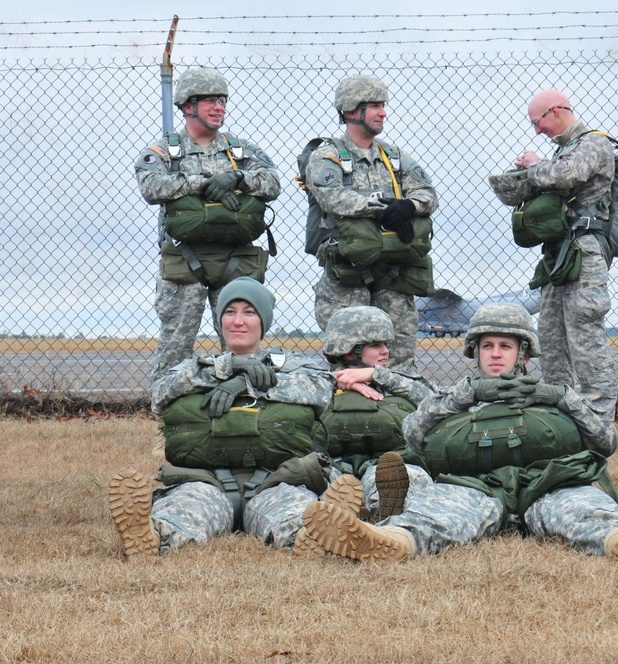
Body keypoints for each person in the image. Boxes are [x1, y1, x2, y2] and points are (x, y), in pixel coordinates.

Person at [297, 303, 618, 563]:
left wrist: (560, 399)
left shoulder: (554, 394)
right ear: (474, 351)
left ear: (524, 353)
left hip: (548, 484)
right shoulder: (458, 395)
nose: (495, 354)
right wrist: (465, 395)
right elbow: (415, 437)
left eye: (505, 346)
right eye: (488, 346)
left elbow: (606, 443)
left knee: (581, 508)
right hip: (477, 487)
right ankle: (389, 540)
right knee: (439, 513)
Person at [108, 278, 334, 557]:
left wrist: (245, 382)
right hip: (207, 481)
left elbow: (323, 392)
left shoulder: (292, 365)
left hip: (274, 481)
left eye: (249, 312)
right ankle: (150, 537)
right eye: (230, 312)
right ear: (219, 319)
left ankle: (309, 538)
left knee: (295, 515)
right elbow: (160, 395)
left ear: (263, 321)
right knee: (184, 512)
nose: (238, 321)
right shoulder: (196, 367)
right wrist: (225, 369)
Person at [136, 67, 282, 380]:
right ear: (188, 106)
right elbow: (151, 186)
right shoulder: (166, 150)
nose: (219, 108)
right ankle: (170, 416)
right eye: (210, 101)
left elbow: (272, 183)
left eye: (222, 101)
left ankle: (245, 408)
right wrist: (200, 183)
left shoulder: (240, 151)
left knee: (241, 342)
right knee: (176, 344)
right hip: (185, 259)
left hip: (236, 259)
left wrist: (238, 177)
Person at [488, 89, 618, 429]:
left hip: (585, 251)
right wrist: (529, 173)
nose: (537, 130)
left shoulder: (593, 143)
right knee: (551, 334)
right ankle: (560, 416)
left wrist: (535, 166)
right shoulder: (563, 151)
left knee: (584, 332)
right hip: (558, 253)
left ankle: (598, 422)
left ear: (556, 110)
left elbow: (566, 176)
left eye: (538, 121)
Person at [304, 74, 438, 377]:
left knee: (400, 352)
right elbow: (332, 197)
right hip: (348, 272)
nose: (383, 112)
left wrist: (408, 206)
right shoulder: (327, 156)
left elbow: (427, 193)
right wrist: (382, 209)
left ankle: (400, 413)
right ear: (352, 111)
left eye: (383, 105)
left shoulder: (395, 157)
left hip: (394, 270)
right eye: (375, 106)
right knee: (346, 354)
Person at [303, 305, 436, 531]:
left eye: (386, 344)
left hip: (383, 465)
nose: (386, 351)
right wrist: (336, 380)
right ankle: (343, 512)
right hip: (331, 468)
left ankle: (377, 511)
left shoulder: (396, 382)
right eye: (376, 345)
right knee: (316, 485)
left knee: (404, 477)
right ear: (349, 351)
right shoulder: (317, 383)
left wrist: (379, 375)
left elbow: (434, 402)